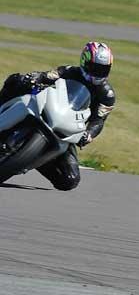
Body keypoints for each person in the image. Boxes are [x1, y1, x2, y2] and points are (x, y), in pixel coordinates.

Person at [0, 42, 115, 191]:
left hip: (68, 128)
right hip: (50, 108)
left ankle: (32, 156)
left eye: (103, 69)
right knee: (16, 80)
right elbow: (47, 76)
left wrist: (89, 134)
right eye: (95, 67)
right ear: (85, 62)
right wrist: (33, 78)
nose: (98, 72)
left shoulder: (107, 95)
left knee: (69, 180)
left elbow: (99, 120)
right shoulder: (68, 71)